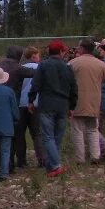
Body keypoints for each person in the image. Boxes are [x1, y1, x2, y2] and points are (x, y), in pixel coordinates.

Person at [28, 40, 78, 178]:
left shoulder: (43, 65)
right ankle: (52, 168)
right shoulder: (68, 67)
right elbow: (74, 88)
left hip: (47, 105)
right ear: (61, 52)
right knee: (57, 137)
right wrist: (72, 106)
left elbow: (35, 84)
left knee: (48, 136)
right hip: (63, 105)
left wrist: (31, 100)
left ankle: (55, 165)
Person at [68, 38, 105, 164]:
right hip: (95, 101)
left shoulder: (73, 63)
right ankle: (95, 156)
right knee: (93, 129)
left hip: (77, 101)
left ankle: (80, 159)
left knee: (77, 130)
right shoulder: (100, 64)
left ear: (82, 48)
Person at [15, 47, 44, 169]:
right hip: (36, 103)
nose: (39, 58)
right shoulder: (40, 68)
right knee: (37, 133)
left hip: (20, 104)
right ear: (33, 56)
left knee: (20, 134)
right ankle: (42, 160)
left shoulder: (19, 69)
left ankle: (21, 161)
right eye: (38, 55)